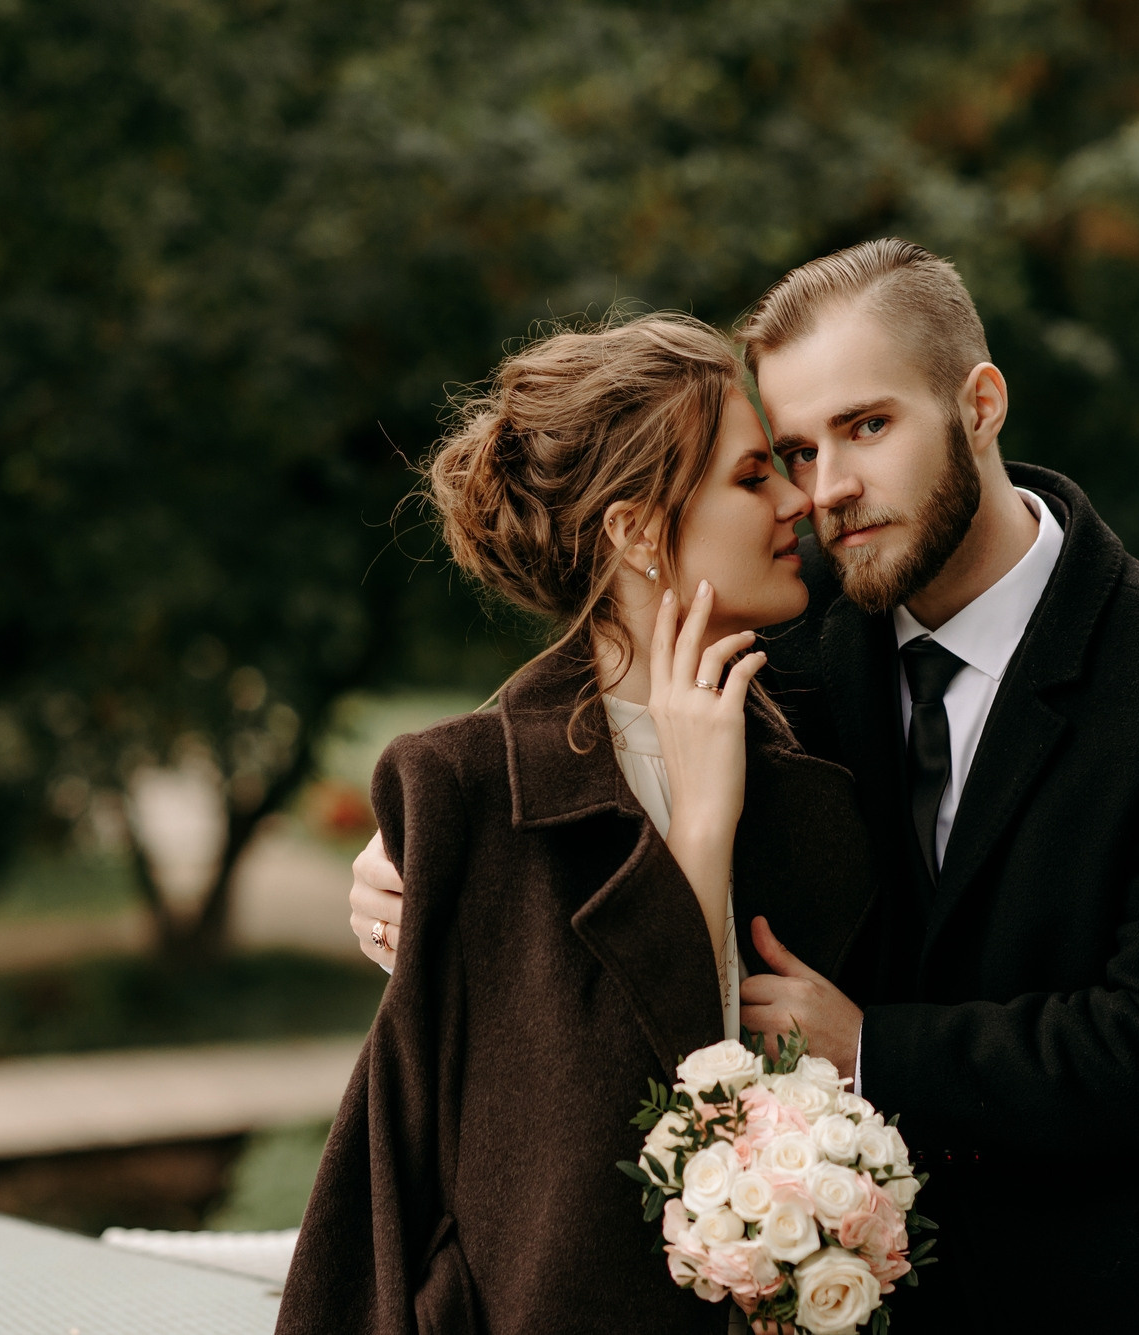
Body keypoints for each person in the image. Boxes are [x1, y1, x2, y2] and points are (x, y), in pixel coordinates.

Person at [348, 240, 1139, 1333]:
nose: (828, 490)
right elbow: (626, 644)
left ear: (980, 402)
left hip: (1136, 1291)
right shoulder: (801, 643)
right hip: (868, 1296)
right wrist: (427, 831)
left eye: (867, 427)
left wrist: (868, 1050)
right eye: (796, 449)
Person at [278, 314, 877, 1334]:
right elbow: (596, 1156)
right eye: (750, 477)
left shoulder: (820, 757)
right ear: (637, 531)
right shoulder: (462, 794)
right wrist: (696, 830)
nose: (798, 501)